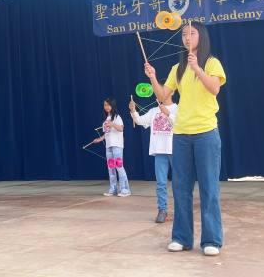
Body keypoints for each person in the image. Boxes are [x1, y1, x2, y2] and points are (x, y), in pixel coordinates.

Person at [144, 21, 226, 256]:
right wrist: (152, 77)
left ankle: (211, 240)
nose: (186, 37)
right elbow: (162, 96)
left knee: (209, 188)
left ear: (202, 37)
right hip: (180, 134)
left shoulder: (212, 62)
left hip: (206, 133)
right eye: (183, 34)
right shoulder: (177, 68)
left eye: (191, 33)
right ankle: (181, 237)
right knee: (181, 187)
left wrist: (198, 69)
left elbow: (214, 89)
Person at [129, 96, 178, 223]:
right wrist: (133, 110)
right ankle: (162, 210)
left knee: (179, 183)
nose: (160, 94)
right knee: (161, 183)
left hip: (175, 151)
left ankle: (181, 210)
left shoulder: (178, 108)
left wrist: (168, 113)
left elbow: (180, 125)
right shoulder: (153, 110)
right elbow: (139, 121)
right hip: (159, 151)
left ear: (171, 91)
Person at [91, 98, 131, 197]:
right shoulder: (106, 119)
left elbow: (121, 129)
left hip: (117, 145)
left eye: (108, 105)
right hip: (108, 146)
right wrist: (100, 139)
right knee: (111, 167)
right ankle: (113, 189)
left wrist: (112, 124)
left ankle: (125, 189)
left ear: (112, 106)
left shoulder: (117, 117)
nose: (106, 107)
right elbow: (107, 133)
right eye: (105, 105)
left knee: (119, 166)